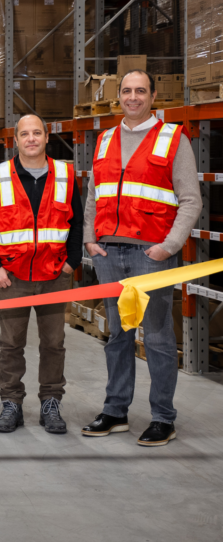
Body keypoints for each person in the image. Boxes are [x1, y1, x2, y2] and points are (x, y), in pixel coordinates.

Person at [81, 70, 201, 447]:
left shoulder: (172, 139)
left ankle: (163, 417)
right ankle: (116, 410)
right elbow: (93, 197)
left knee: (160, 337)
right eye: (127, 91)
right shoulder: (104, 139)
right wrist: (89, 239)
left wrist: (169, 245)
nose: (133, 97)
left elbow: (190, 200)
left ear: (152, 97)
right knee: (118, 334)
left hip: (151, 253)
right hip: (108, 252)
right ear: (118, 96)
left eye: (141, 91)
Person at [0, 114, 83, 435]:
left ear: (46, 137)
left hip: (55, 275)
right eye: (24, 134)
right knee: (11, 344)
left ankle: (51, 401)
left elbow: (77, 222)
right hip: (12, 277)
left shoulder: (66, 174)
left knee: (54, 343)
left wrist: (72, 262)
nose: (31, 139)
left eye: (36, 133)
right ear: (16, 140)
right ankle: (11, 403)